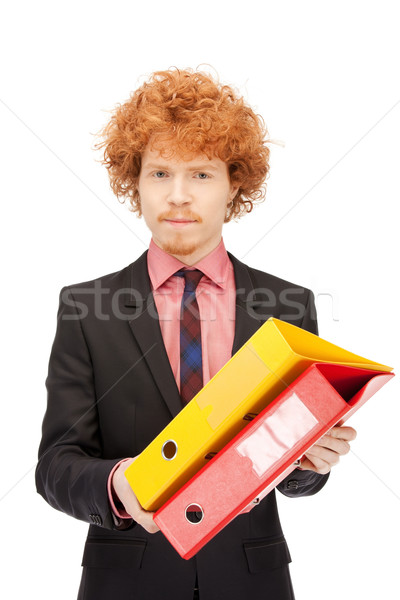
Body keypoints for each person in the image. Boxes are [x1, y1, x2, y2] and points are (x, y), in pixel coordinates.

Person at [35, 67, 357, 600]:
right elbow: (55, 466)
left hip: (252, 579)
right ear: (134, 183)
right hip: (127, 579)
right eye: (159, 173)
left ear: (235, 185)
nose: (178, 196)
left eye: (201, 175)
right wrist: (120, 485)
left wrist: (310, 464)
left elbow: (298, 477)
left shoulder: (289, 307)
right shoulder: (85, 310)